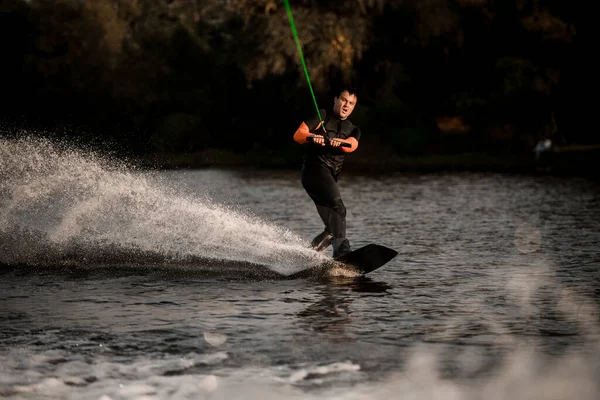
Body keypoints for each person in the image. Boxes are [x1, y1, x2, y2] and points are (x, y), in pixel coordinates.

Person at [293, 87, 360, 258]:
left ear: (354, 106)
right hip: (314, 172)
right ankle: (342, 252)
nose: (346, 105)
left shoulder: (353, 129)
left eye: (351, 103)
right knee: (339, 208)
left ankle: (305, 258)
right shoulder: (322, 116)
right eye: (344, 100)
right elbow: (298, 135)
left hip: (328, 179)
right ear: (336, 99)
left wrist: (338, 142)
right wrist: (312, 136)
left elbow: (352, 145)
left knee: (332, 228)